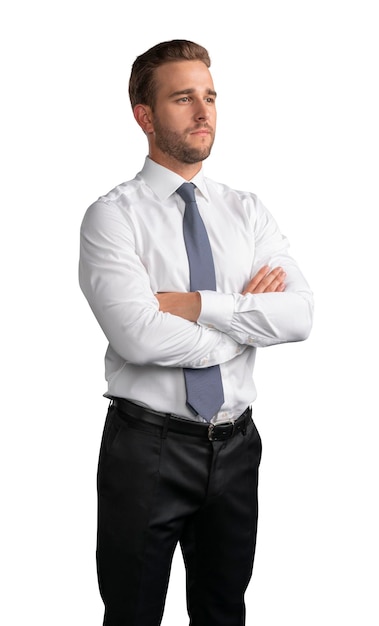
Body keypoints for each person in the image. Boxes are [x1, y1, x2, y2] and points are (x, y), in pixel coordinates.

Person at [79, 39, 314, 626]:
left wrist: (195, 304)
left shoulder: (247, 211)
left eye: (209, 96)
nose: (203, 112)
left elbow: (300, 315)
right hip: (147, 449)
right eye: (183, 98)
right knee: (132, 615)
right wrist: (244, 325)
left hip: (237, 447)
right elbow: (138, 336)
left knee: (223, 611)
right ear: (145, 115)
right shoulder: (113, 216)